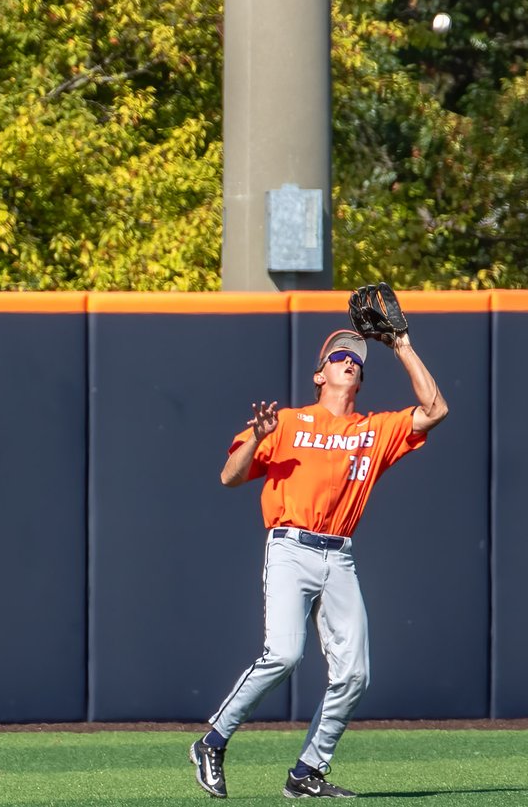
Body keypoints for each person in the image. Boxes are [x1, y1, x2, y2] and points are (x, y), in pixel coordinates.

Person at [190, 325, 448, 799]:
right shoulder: (286, 422)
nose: (349, 362)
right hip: (291, 547)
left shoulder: (373, 430)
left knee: (355, 674)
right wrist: (256, 439)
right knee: (285, 654)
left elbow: (436, 410)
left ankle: (307, 770)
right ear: (318, 374)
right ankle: (213, 741)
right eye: (338, 358)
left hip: (339, 555)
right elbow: (229, 476)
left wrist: (403, 346)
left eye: (356, 361)